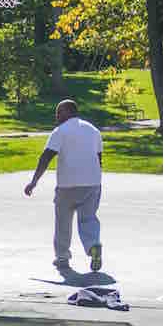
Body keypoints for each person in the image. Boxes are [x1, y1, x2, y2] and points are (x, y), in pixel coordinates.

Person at [24, 99, 104, 272]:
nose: (57, 116)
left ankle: (62, 257)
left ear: (68, 112)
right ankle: (93, 246)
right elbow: (99, 158)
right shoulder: (94, 130)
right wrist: (96, 181)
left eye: (59, 112)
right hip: (92, 183)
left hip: (68, 184)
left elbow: (46, 157)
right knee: (88, 218)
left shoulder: (60, 131)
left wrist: (34, 181)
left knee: (63, 221)